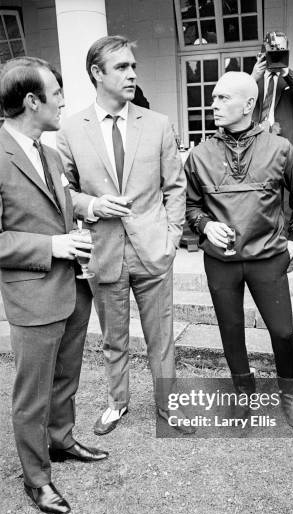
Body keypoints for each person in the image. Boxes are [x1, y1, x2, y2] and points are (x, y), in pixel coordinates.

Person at [57, 36, 193, 435]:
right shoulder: (70, 130)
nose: (132, 73)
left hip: (153, 250)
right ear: (97, 73)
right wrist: (92, 206)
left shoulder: (158, 123)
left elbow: (175, 188)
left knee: (161, 338)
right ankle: (117, 403)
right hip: (105, 251)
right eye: (121, 67)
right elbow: (64, 191)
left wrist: (170, 239)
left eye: (133, 66)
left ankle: (168, 407)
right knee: (113, 340)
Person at [0, 57, 108, 514]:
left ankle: (61, 441)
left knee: (66, 378)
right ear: (32, 101)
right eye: (57, 91)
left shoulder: (47, 150)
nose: (64, 99)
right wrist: (54, 245)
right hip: (34, 293)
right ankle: (37, 479)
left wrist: (83, 216)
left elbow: (59, 202)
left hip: (73, 287)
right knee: (33, 393)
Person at [185, 71, 293, 430]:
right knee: (230, 328)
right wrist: (205, 225)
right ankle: (243, 393)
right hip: (221, 261)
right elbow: (190, 207)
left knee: (284, 332)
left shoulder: (280, 148)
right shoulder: (199, 155)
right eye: (213, 98)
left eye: (223, 98)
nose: (214, 104)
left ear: (249, 104)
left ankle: (290, 393)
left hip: (268, 258)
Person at [251, 31, 293, 153]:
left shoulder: (292, 79)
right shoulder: (254, 80)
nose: (276, 53)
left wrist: (286, 73)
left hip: (285, 145)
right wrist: (253, 77)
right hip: (256, 144)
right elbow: (238, 102)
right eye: (272, 49)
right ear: (264, 51)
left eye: (281, 49)